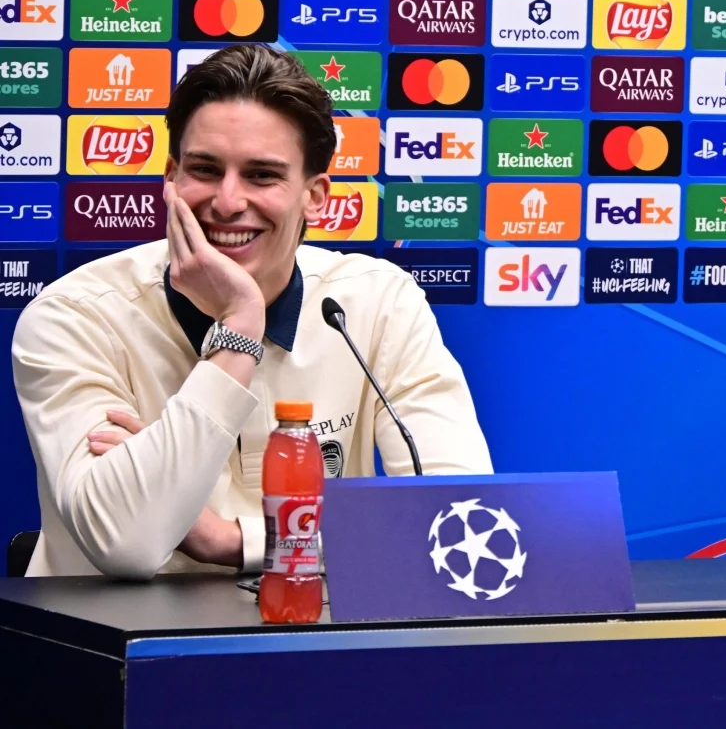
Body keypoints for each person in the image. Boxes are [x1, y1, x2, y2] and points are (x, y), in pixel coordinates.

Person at [12, 44, 493, 579]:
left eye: (262, 175)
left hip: (311, 628)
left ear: (315, 197)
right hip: (109, 633)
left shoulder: (377, 302)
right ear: (170, 178)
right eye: (204, 169)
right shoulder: (74, 316)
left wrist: (235, 540)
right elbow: (127, 542)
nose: (227, 201)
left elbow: (456, 518)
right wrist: (240, 325)